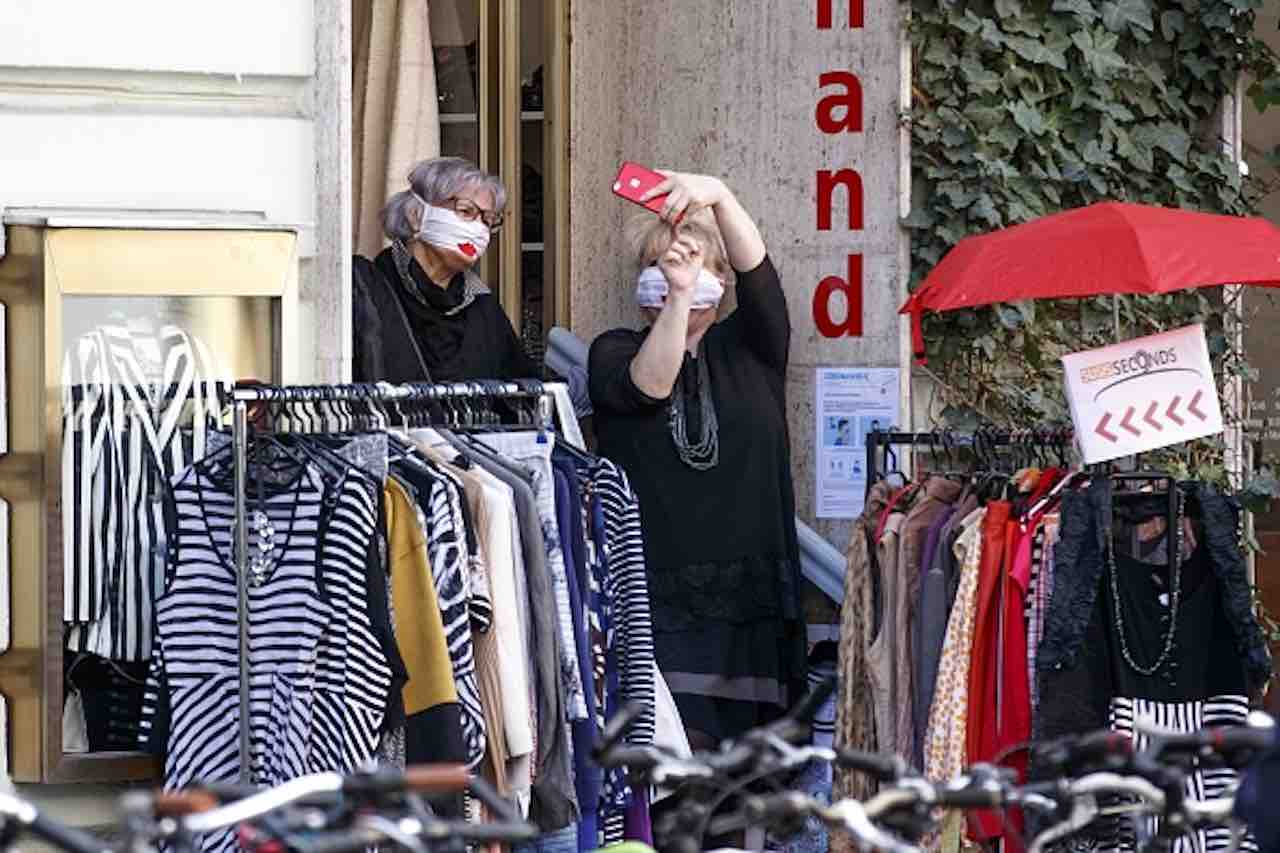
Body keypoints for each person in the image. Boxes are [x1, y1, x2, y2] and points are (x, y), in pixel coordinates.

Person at [588, 170, 806, 749]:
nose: (676, 272)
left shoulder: (752, 348)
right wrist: (678, 300)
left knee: (748, 785)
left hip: (750, 609)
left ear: (722, 280)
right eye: (660, 264)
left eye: (691, 263)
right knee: (671, 777)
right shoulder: (613, 351)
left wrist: (720, 194)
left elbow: (761, 276)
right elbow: (649, 388)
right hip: (656, 606)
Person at [353, 156, 537, 382]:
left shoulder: (482, 306)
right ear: (416, 216)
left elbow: (526, 389)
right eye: (466, 211)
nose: (479, 230)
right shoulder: (365, 288)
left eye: (488, 221)